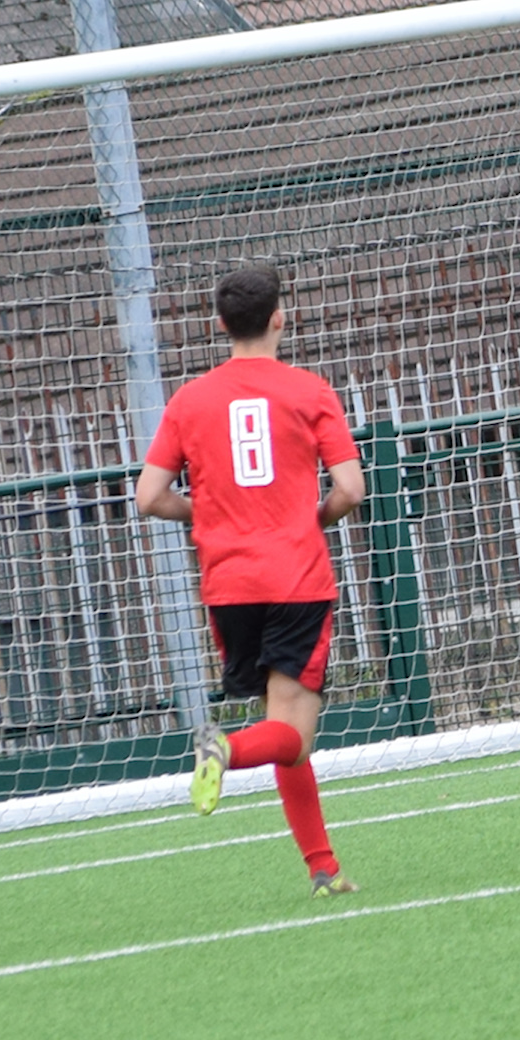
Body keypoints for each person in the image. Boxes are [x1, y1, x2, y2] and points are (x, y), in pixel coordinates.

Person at [137, 265, 365, 897]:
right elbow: (351, 489)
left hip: (229, 586)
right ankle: (226, 752)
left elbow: (149, 496)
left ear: (219, 326)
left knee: (284, 728)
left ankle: (322, 867)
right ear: (279, 318)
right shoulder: (310, 391)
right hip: (297, 578)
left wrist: (205, 513)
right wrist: (312, 517)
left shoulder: (189, 401)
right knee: (290, 733)